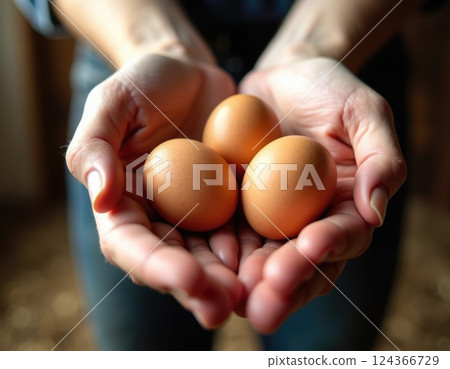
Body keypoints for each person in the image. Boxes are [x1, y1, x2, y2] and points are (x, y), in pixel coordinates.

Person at [16, 0, 430, 350]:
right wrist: (156, 43)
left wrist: (312, 47)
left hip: (344, 62)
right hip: (122, 49)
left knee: (326, 346)